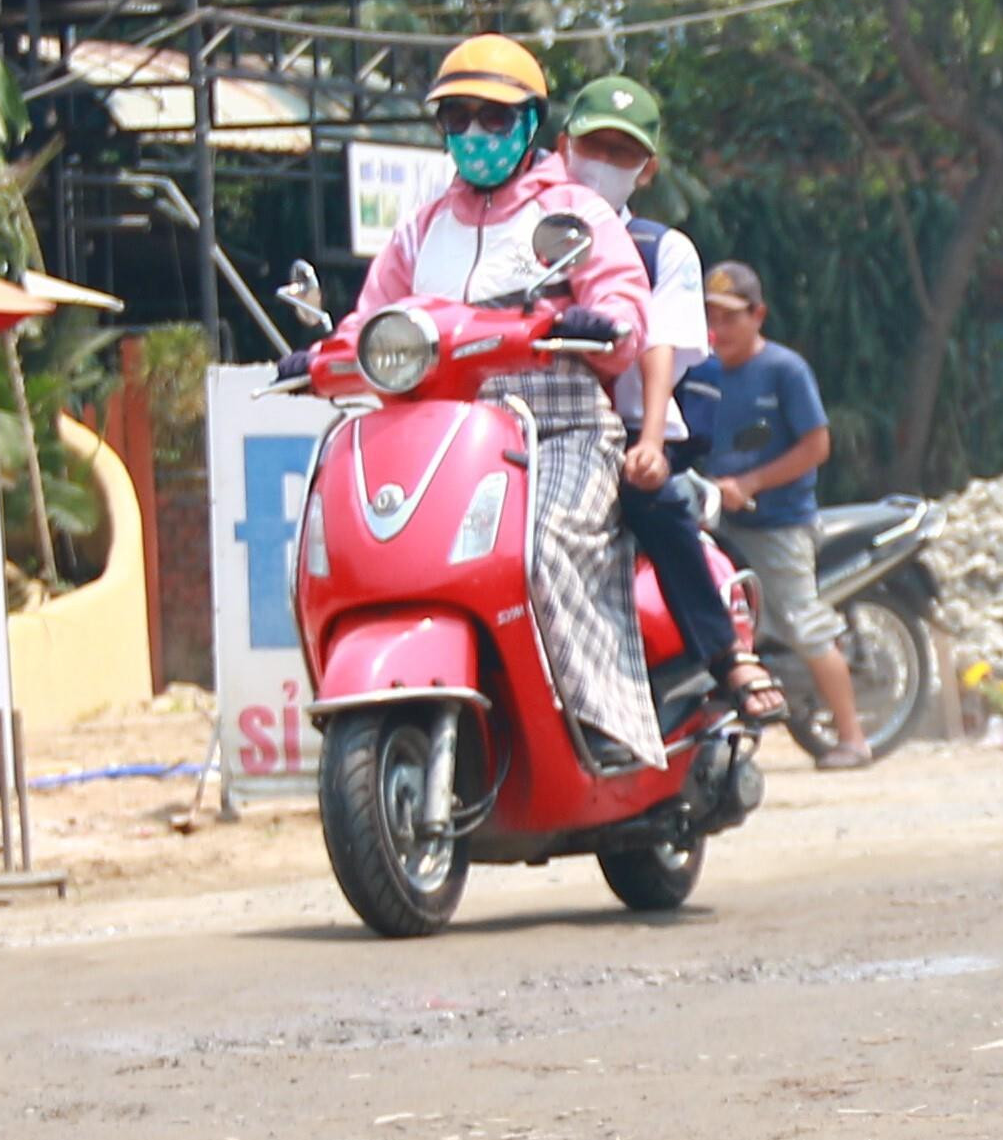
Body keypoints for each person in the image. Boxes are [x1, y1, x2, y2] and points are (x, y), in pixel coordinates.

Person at [351, 38, 768, 720]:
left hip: (566, 425)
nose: (474, 134)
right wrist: (327, 350)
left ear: (530, 124)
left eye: (493, 118)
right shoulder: (425, 224)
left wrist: (605, 333)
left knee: (543, 545)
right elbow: (374, 313)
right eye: (457, 118)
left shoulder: (580, 220)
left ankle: (602, 709)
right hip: (451, 435)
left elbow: (637, 322)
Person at [549, 73, 772, 715]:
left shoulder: (660, 249)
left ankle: (725, 654)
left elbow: (659, 346)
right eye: (595, 147)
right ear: (564, 146)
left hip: (619, 430)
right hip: (521, 427)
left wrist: (647, 442)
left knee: (656, 500)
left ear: (646, 171)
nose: (604, 165)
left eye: (623, 154)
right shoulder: (520, 233)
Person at [675, 263, 858, 763]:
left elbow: (817, 445)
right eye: (709, 316)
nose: (719, 329)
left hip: (778, 523)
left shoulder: (784, 370)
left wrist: (751, 483)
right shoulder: (699, 372)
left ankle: (852, 738)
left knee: (803, 623)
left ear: (759, 315)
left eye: (731, 317)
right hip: (718, 521)